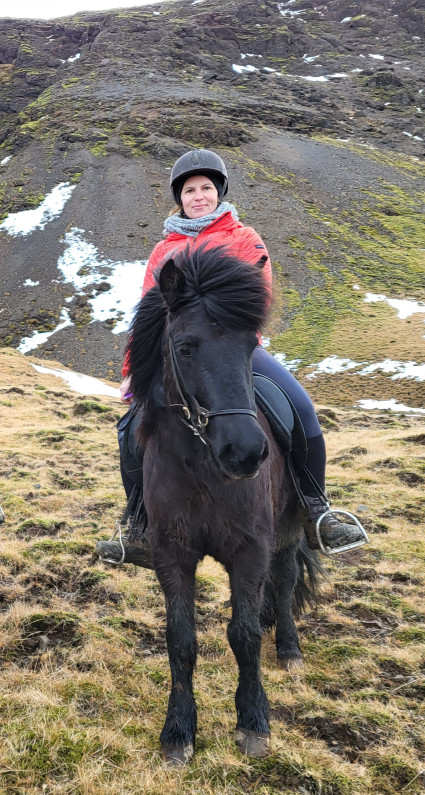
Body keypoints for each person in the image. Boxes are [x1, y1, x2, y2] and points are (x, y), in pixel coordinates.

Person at [96, 149, 365, 566]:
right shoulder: (162, 251)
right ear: (179, 198)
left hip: (236, 348)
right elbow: (148, 317)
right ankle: (138, 526)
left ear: (218, 193)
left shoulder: (244, 238)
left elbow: (259, 297)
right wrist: (133, 371)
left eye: (206, 188)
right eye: (190, 190)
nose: (198, 196)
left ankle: (317, 510)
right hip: (181, 356)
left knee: (300, 408)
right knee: (131, 427)